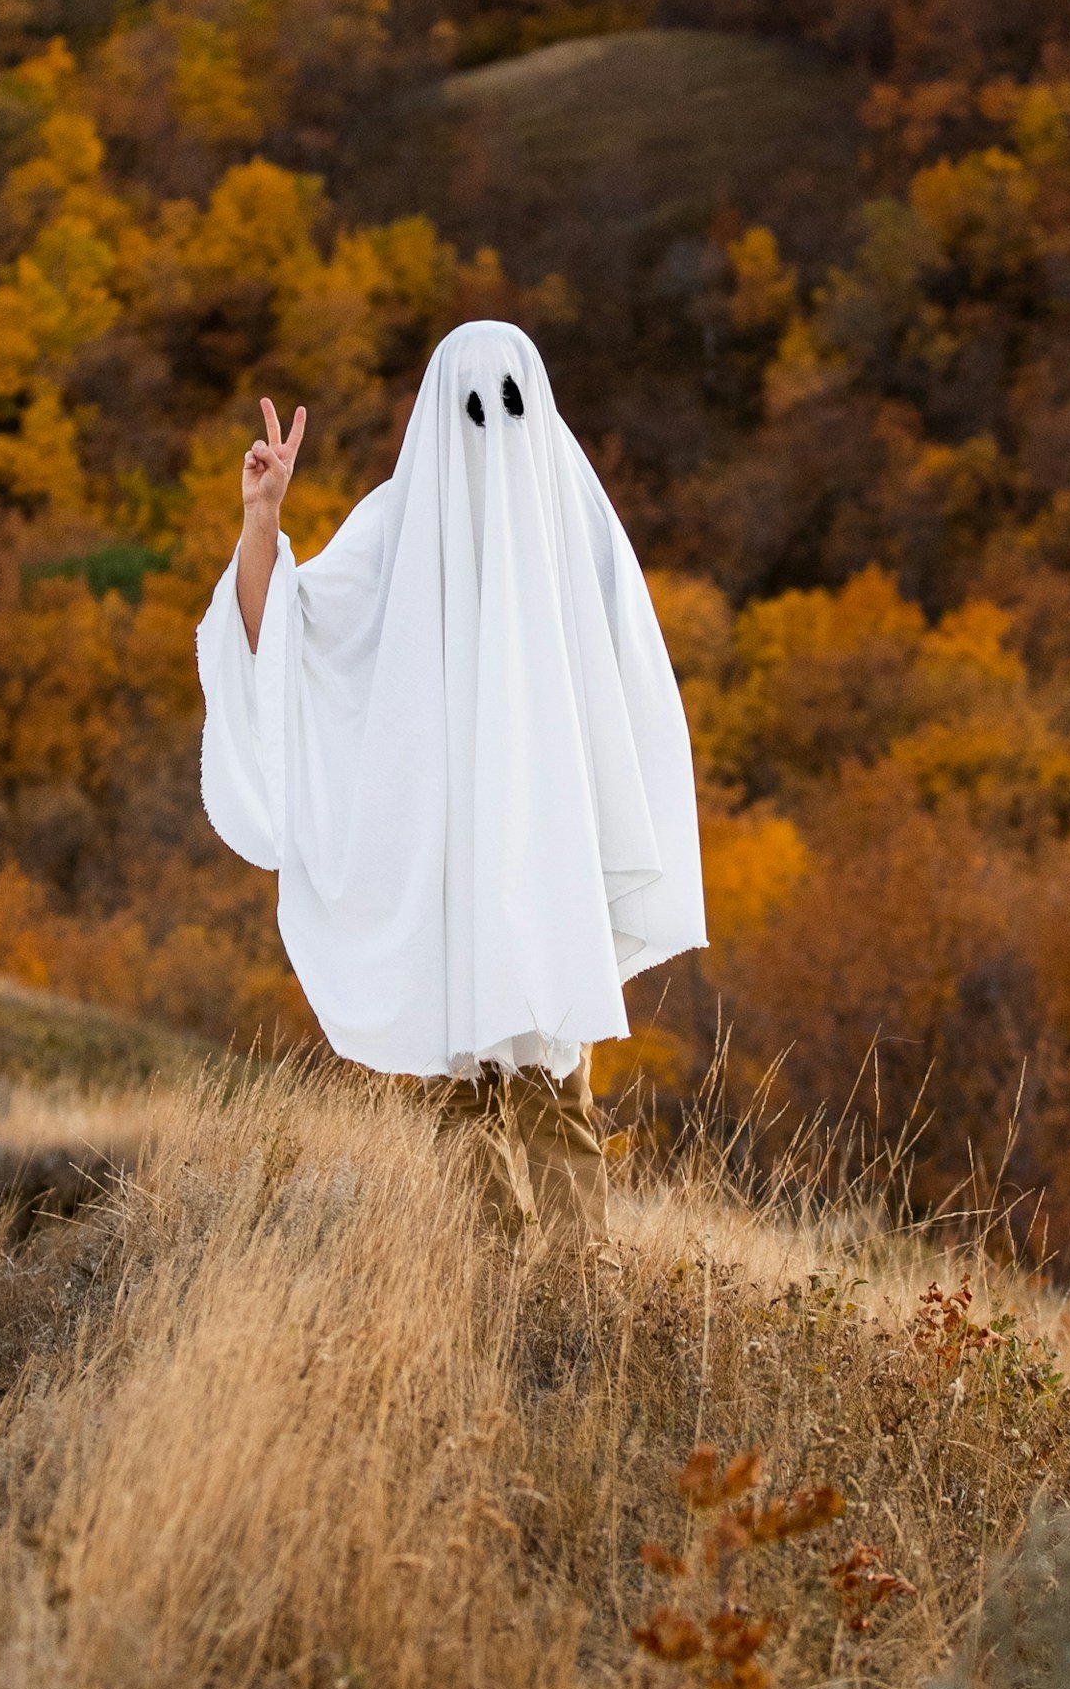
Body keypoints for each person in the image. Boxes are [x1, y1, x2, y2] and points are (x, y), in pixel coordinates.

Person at [195, 321, 707, 1250]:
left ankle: (576, 1308)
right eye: (471, 410)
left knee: (558, 1100)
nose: (492, 430)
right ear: (436, 415)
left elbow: (631, 689)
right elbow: (288, 642)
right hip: (439, 868)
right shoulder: (398, 526)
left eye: (510, 406)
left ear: (539, 404)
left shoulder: (573, 519)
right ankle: (479, 1300)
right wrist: (262, 518)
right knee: (457, 1112)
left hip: (546, 858)